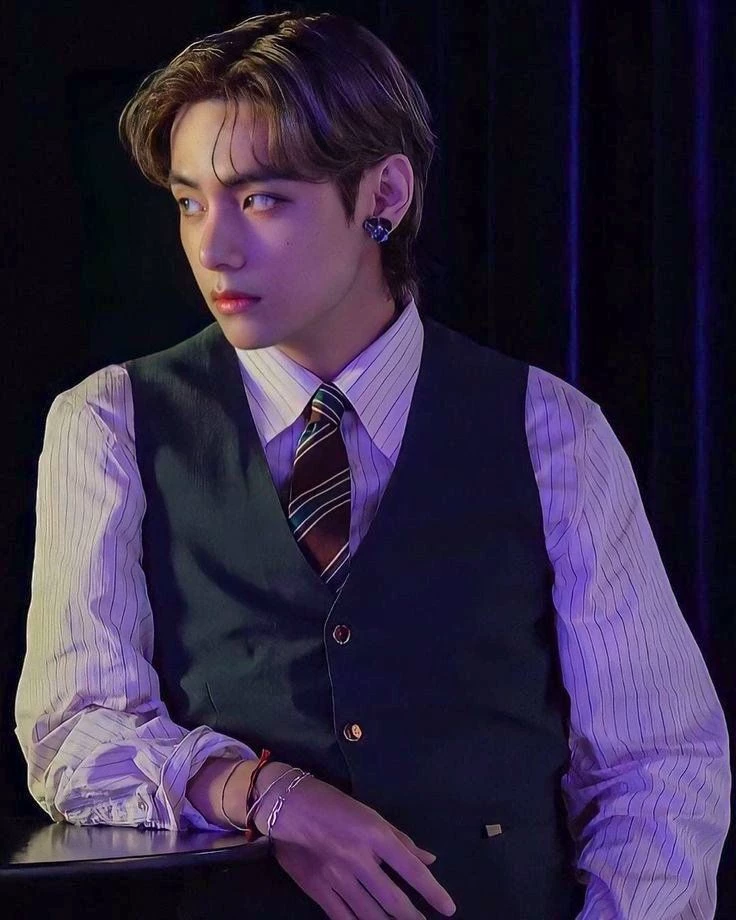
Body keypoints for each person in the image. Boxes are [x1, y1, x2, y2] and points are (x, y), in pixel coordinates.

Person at [14, 9, 730, 920]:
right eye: (191, 201)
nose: (212, 247)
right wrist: (263, 793)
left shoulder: (552, 430)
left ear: (383, 193)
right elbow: (70, 733)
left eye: (262, 199)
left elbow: (657, 766)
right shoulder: (108, 422)